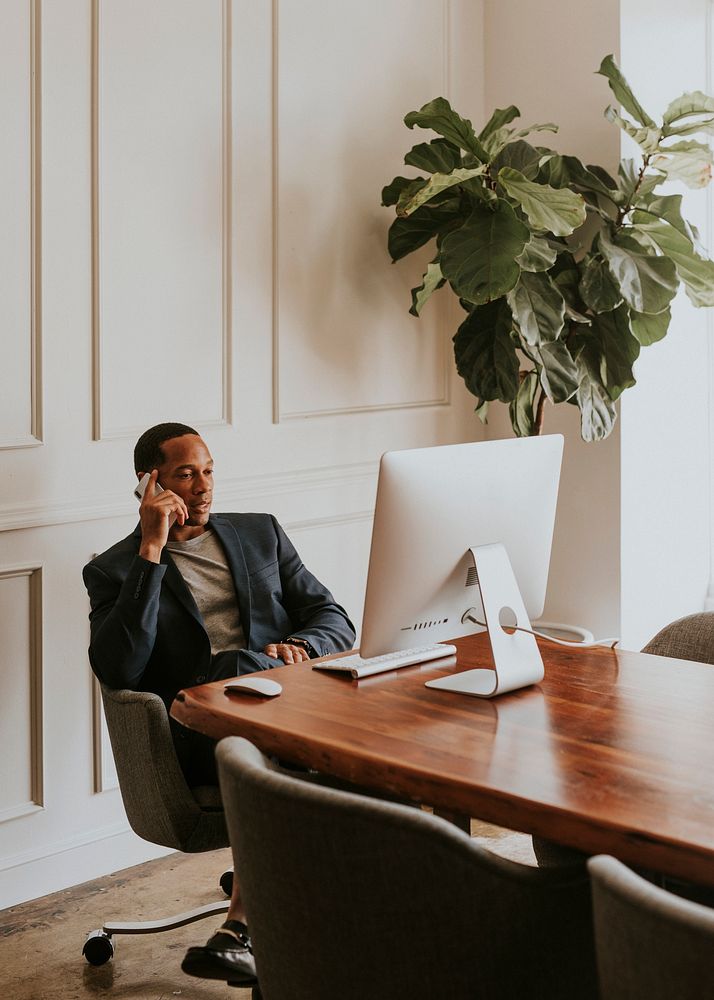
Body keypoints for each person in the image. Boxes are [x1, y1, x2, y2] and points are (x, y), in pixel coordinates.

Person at [83, 421, 356, 986]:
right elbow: (119, 668)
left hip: (286, 714)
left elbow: (334, 618)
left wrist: (301, 647)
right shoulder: (114, 569)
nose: (203, 487)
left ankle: (243, 931)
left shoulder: (261, 534)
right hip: (195, 733)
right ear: (149, 484)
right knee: (236, 671)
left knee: (290, 723)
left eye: (208, 471)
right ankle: (264, 923)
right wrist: (151, 550)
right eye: (185, 474)